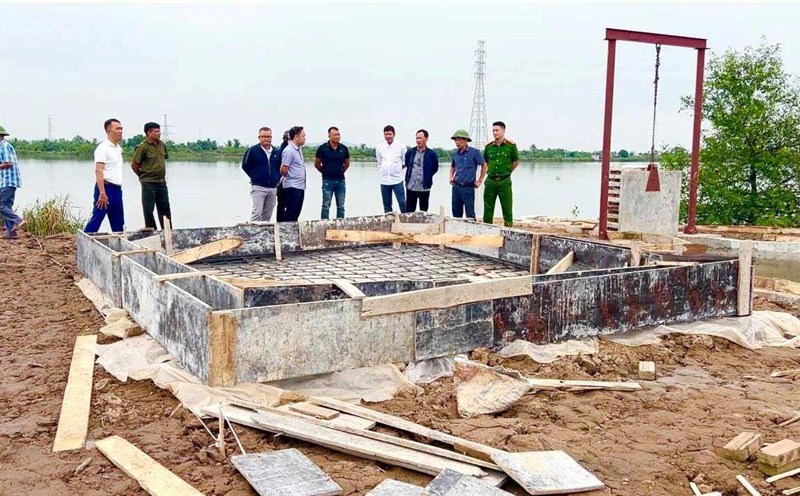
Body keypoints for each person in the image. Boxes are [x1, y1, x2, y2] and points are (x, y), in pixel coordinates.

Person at [85, 119, 125, 233]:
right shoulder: (103, 148)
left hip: (116, 189)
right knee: (97, 218)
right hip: (105, 188)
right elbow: (98, 171)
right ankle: (84, 242)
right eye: (117, 129)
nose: (120, 131)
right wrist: (102, 193)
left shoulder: (118, 148)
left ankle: (118, 246)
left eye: (121, 128)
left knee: (118, 222)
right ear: (108, 130)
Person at [131, 122, 171, 229]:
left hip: (161, 183)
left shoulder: (162, 145)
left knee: (165, 209)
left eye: (159, 131)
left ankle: (167, 232)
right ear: (149, 132)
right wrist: (142, 176)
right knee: (148, 210)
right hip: (148, 183)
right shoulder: (142, 147)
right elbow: (134, 165)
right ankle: (151, 233)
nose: (159, 133)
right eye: (156, 131)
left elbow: (163, 159)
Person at [483, 121, 520, 227]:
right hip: (490, 181)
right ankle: (487, 228)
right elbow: (485, 161)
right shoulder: (489, 147)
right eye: (493, 131)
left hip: (504, 181)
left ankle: (508, 230)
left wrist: (507, 172)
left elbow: (515, 162)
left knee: (507, 207)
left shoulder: (511, 146)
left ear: (503, 131)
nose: (495, 133)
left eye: (497, 130)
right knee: (488, 207)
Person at [242, 127, 282, 221]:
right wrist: (255, 176)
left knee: (268, 214)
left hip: (272, 188)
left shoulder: (276, 152)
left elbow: (280, 167)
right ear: (259, 137)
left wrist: (276, 178)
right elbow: (245, 166)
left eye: (268, 136)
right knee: (257, 212)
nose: (266, 139)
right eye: (263, 136)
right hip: (258, 187)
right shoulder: (252, 151)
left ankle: (263, 234)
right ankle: (252, 233)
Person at [449, 129, 486, 220]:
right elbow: (452, 166)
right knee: (456, 212)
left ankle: (472, 232)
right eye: (455, 140)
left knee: (470, 213)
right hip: (456, 187)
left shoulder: (474, 152)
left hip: (468, 188)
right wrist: (451, 177)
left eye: (459, 139)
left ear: (466, 140)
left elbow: (484, 165)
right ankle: (457, 233)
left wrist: (480, 180)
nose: (457, 142)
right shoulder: (455, 153)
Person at [315, 126, 350, 219]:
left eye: (338, 134)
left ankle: (340, 226)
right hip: (327, 181)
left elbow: (347, 163)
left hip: (340, 181)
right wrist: (324, 172)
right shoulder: (322, 148)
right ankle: (324, 224)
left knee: (341, 206)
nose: (337, 136)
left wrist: (341, 171)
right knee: (326, 205)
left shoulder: (344, 148)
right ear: (329, 136)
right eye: (335, 135)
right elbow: (317, 164)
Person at [403, 129, 439, 212]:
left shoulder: (432, 154)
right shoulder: (410, 152)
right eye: (417, 138)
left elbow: (435, 168)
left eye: (420, 138)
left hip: (424, 187)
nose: (418, 140)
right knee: (409, 211)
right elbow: (408, 165)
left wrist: (427, 175)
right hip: (411, 187)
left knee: (424, 211)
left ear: (426, 139)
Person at [278, 126, 307, 222]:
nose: (305, 138)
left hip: (300, 186)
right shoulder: (289, 150)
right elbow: (283, 169)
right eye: (303, 136)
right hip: (292, 187)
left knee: (296, 213)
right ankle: (286, 233)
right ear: (296, 137)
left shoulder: (298, 149)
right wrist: (290, 176)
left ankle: (293, 233)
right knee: (290, 213)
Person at [0, 125, 24, 239]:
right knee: (7, 207)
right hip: (7, 181)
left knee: (1, 205)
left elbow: (8, 163)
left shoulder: (4, 146)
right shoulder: (3, 146)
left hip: (8, 181)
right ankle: (11, 233)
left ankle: (18, 220)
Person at [375, 125, 407, 213]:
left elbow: (405, 163)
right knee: (387, 206)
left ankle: (405, 223)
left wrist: (395, 169)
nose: (388, 136)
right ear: (383, 135)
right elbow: (379, 162)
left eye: (390, 134)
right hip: (384, 181)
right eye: (386, 134)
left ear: (394, 134)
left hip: (397, 180)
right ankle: (389, 224)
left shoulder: (401, 147)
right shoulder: (379, 147)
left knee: (402, 203)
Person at [275, 130, 291, 222]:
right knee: (282, 205)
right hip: (282, 182)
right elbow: (277, 167)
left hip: (289, 182)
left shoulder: (294, 150)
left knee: (287, 205)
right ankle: (281, 224)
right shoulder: (284, 151)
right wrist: (279, 179)